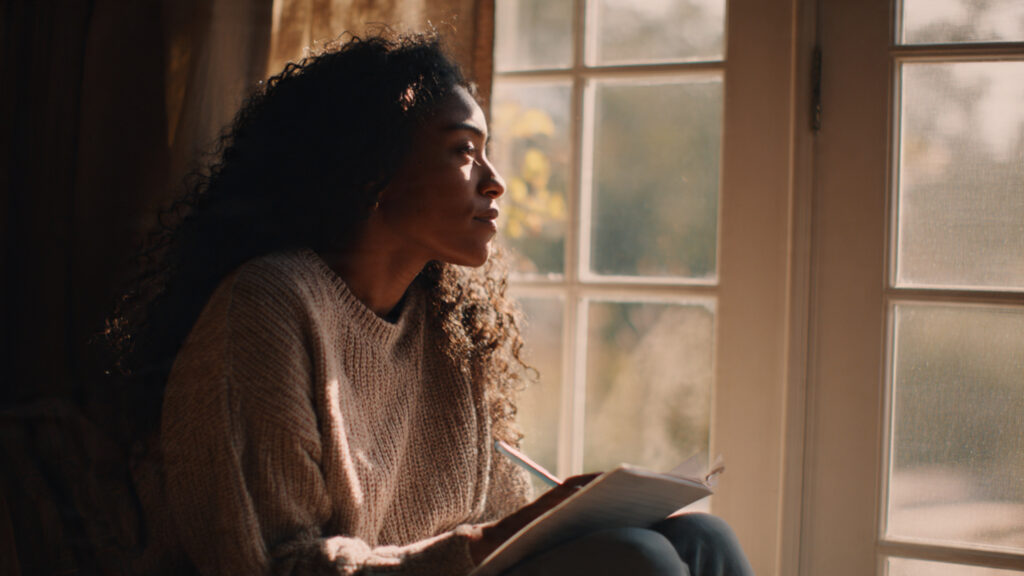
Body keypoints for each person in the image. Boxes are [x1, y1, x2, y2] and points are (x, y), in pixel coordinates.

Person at [107, 31, 754, 576]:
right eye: (463, 151)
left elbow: (498, 520)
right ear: (370, 170)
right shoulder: (271, 306)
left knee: (705, 540)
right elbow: (274, 564)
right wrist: (495, 539)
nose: (495, 180)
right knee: (637, 559)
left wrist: (554, 515)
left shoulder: (449, 327)